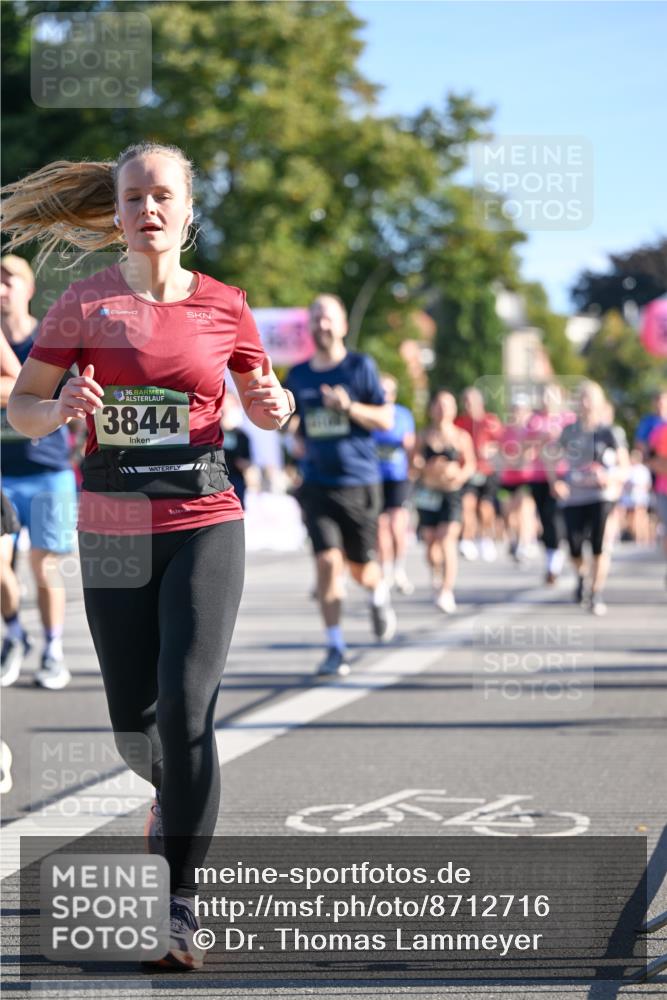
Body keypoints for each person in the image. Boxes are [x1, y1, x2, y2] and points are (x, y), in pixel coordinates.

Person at [3, 142, 295, 970]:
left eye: (162, 195)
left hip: (207, 518)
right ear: (120, 214)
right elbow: (22, 409)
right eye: (133, 198)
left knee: (186, 706)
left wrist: (278, 404)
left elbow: (269, 403)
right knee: (137, 729)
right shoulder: (82, 305)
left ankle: (178, 905)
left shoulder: (227, 307)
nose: (147, 210)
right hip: (114, 530)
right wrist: (57, 403)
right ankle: (168, 800)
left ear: (188, 210)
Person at [285, 294, 396, 677]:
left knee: (361, 569)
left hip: (359, 481)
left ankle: (378, 592)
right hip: (317, 483)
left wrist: (349, 408)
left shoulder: (360, 367)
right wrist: (289, 430)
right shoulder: (298, 375)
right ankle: (335, 646)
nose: (322, 324)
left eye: (328, 318)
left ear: (343, 325)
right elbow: (291, 423)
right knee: (327, 563)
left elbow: (385, 420)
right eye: (315, 318)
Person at [1, 255, 77, 689]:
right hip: (2, 473)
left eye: (9, 281)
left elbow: (50, 394)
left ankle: (52, 648)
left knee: (43, 562)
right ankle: (14, 633)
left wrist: (15, 393)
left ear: (28, 289)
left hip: (47, 470)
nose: (1, 289)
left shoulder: (48, 341)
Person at [550, 381, 629, 615]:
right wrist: (556, 481)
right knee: (574, 547)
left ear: (599, 402)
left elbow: (624, 466)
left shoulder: (610, 432)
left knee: (598, 546)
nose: (584, 403)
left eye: (589, 397)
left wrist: (610, 477)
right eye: (581, 397)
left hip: (601, 496)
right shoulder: (569, 431)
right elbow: (550, 457)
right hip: (574, 497)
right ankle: (582, 576)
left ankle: (596, 592)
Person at [412, 390, 476, 613]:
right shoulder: (422, 436)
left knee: (447, 538)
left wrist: (458, 473)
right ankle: (436, 575)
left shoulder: (460, 437)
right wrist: (426, 467)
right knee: (431, 544)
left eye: (447, 406)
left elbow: (470, 465)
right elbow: (413, 464)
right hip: (428, 493)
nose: (442, 410)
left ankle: (447, 591)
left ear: (453, 409)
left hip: (451, 493)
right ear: (432, 410)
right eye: (438, 405)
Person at [523, 384, 575, 584]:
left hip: (563, 475)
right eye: (543, 395)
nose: (547, 399)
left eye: (551, 395)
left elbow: (577, 445)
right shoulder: (534, 421)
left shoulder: (568, 419)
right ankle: (552, 558)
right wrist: (539, 439)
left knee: (558, 517)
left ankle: (559, 557)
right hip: (539, 476)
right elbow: (525, 448)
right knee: (545, 518)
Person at [373, 373, 416, 595]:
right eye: (380, 390)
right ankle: (385, 570)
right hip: (374, 476)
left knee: (397, 525)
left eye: (388, 391)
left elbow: (410, 445)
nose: (384, 395)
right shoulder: (369, 413)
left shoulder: (403, 414)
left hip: (398, 476)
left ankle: (399, 568)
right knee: (380, 528)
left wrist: (414, 468)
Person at [454, 386, 503, 562]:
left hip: (487, 471)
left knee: (485, 507)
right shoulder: (459, 422)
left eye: (471, 402)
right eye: (465, 402)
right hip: (469, 470)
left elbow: (503, 443)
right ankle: (467, 540)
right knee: (467, 505)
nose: (468, 405)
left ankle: (486, 538)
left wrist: (491, 449)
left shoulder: (491, 421)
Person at [220, 390, 252, 509]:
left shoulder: (242, 436)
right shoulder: (212, 433)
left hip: (235, 484)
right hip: (215, 484)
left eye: (230, 404)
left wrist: (242, 464)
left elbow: (247, 462)